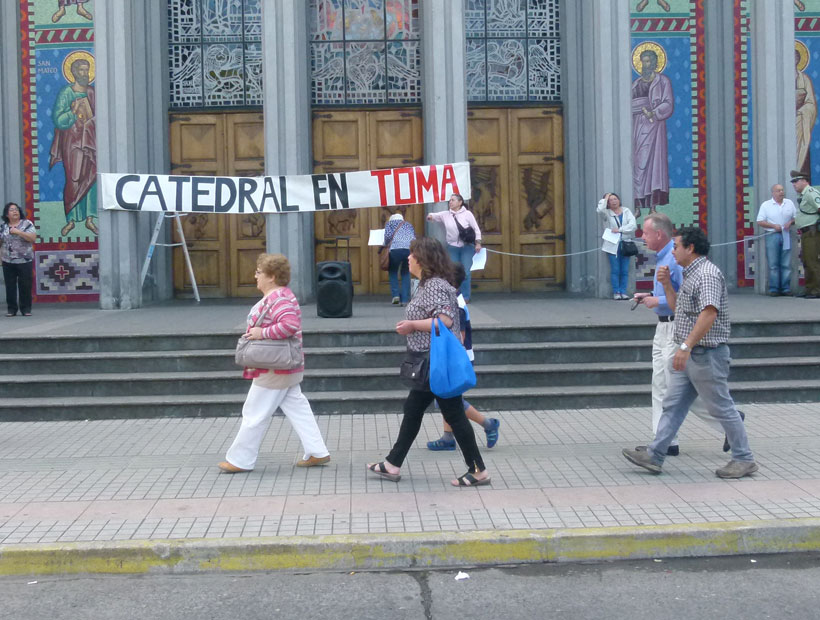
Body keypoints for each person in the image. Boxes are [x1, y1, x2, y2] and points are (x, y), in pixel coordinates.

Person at [622, 227, 759, 479]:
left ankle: (744, 458)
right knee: (673, 404)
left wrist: (685, 347)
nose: (672, 251)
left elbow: (709, 312)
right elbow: (679, 309)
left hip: (705, 353)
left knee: (721, 407)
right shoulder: (690, 273)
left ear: (690, 248)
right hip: (692, 352)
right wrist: (666, 285)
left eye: (675, 246)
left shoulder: (706, 274)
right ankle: (655, 454)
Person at [367, 237, 490, 487]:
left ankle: (478, 470)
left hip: (434, 362)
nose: (408, 258)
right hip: (428, 363)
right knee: (417, 409)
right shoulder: (425, 284)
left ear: (423, 259)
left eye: (412, 255)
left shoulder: (434, 285)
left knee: (452, 414)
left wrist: (413, 325)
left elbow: (444, 320)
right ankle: (392, 463)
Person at [219, 253, 331, 473]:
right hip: (283, 365)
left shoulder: (278, 298)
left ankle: (241, 460)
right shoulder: (281, 296)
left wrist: (262, 333)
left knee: (254, 411)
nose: (255, 276)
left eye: (259, 272)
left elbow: (289, 325)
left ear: (271, 276)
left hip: (274, 367)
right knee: (298, 407)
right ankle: (318, 452)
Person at [633, 213, 725, 456]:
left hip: (676, 326)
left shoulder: (676, 260)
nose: (642, 237)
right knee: (662, 384)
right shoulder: (665, 256)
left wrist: (658, 300)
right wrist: (650, 298)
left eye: (645, 232)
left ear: (659, 234)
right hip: (662, 326)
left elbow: (686, 300)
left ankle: (727, 420)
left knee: (677, 387)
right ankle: (663, 440)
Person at [427, 263, 500, 451]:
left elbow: (459, 337)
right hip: (457, 357)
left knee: (447, 399)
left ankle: (488, 424)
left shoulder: (456, 304)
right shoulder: (455, 300)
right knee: (446, 397)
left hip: (457, 358)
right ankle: (448, 437)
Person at [50, 56, 97, 237]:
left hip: (91, 142)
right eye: (81, 70)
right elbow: (58, 119)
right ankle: (70, 219)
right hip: (72, 142)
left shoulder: (92, 92)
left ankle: (90, 219)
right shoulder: (66, 93)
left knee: (91, 177)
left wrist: (91, 121)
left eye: (87, 70)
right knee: (74, 178)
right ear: (74, 72)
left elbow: (101, 115)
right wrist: (73, 111)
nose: (85, 73)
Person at [632, 48, 674, 216]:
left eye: (649, 61)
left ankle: (652, 207)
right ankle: (636, 206)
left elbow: (668, 103)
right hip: (637, 127)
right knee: (637, 166)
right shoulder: (635, 84)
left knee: (652, 167)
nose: (645, 64)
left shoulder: (662, 82)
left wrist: (654, 112)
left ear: (655, 63)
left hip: (654, 128)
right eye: (643, 61)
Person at [427, 193, 482, 302]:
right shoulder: (446, 214)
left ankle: (465, 296)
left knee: (465, 272)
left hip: (466, 247)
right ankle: (454, 295)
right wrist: (430, 216)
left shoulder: (467, 214)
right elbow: (433, 215)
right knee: (452, 271)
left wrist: (478, 243)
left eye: (453, 200)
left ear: (460, 202)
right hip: (452, 247)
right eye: (450, 200)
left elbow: (476, 229)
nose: (450, 202)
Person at [756, 184, 796, 296]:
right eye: (778, 190)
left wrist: (790, 222)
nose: (781, 192)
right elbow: (760, 221)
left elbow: (795, 217)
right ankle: (774, 289)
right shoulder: (766, 205)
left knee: (786, 263)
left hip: (786, 234)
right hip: (772, 235)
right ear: (773, 193)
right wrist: (774, 226)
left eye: (782, 190)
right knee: (773, 263)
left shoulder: (789, 203)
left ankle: (786, 288)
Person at [597, 192, 637, 300]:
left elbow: (633, 225)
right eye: (610, 200)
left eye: (615, 199)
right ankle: (616, 291)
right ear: (608, 203)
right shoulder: (607, 213)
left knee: (624, 269)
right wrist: (605, 198)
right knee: (615, 269)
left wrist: (620, 230)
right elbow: (600, 210)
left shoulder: (626, 211)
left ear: (619, 200)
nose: (614, 201)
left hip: (625, 243)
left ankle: (623, 291)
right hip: (612, 244)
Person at [1, 202, 37, 317]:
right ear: (7, 214)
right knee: (10, 285)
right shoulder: (3, 226)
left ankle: (26, 309)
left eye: (16, 209)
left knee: (25, 285)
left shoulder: (27, 224)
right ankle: (11, 309)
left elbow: (32, 238)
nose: (15, 211)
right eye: (11, 210)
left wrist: (18, 232)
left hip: (24, 260)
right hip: (8, 260)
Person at [790, 169, 820, 298]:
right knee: (807, 261)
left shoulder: (810, 193)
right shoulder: (803, 195)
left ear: (803, 181)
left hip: (812, 232)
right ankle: (809, 288)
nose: (794, 184)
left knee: (812, 261)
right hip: (806, 233)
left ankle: (816, 290)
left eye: (796, 181)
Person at [383, 212, 416, 305]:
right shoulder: (408, 225)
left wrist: (385, 244)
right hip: (408, 250)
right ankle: (405, 299)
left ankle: (396, 295)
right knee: (405, 273)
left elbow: (387, 237)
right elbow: (413, 237)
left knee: (393, 271)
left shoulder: (390, 224)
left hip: (395, 250)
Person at [796, 47, 817, 178]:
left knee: (803, 154)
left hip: (801, 123)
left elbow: (811, 103)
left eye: (797, 57)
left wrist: (801, 111)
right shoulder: (780, 77)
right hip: (785, 123)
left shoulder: (804, 79)